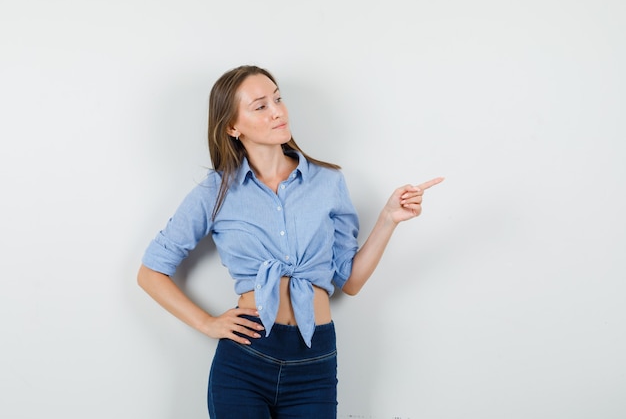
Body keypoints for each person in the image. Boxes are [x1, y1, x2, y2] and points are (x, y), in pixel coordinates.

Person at [138, 65, 443, 418]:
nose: (278, 111)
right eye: (260, 106)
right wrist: (206, 323)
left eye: (278, 99)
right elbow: (150, 272)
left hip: (315, 360)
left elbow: (351, 281)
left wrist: (389, 219)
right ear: (232, 127)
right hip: (246, 357)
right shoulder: (216, 191)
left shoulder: (328, 182)